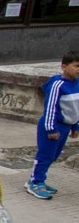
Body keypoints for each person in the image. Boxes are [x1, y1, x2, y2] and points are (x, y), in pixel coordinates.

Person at [26, 51, 79, 199]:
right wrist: (51, 129)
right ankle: (35, 183)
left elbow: (76, 108)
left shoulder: (77, 84)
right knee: (45, 155)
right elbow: (50, 108)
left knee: (54, 156)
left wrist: (75, 126)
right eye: (76, 66)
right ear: (64, 66)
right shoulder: (57, 85)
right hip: (52, 126)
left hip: (66, 126)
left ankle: (37, 178)